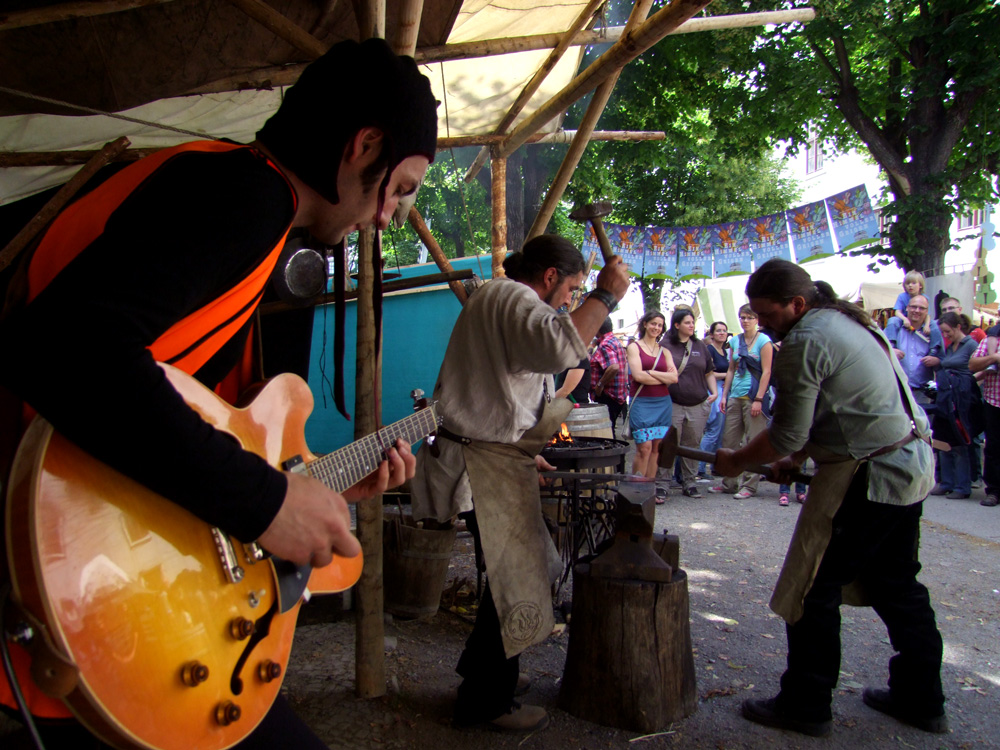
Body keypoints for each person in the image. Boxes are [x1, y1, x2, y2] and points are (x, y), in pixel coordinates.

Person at [0, 38, 432, 749]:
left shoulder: (246, 211)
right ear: (364, 147)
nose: (391, 216)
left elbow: (179, 420)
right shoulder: (244, 195)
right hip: (53, 578)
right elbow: (62, 348)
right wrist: (264, 502)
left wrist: (309, 485)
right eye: (404, 187)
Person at [715, 258, 945, 739]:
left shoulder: (806, 339)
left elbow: (787, 432)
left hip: (871, 475)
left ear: (796, 304)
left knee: (813, 589)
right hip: (904, 463)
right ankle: (920, 697)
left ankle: (805, 703)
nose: (768, 327)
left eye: (770, 315)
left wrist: (737, 460)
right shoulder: (845, 321)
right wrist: (795, 460)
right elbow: (835, 412)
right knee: (898, 584)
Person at [410, 235, 630, 732]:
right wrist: (607, 296)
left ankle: (483, 675)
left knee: (517, 573)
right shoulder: (512, 297)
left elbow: (502, 391)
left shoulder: (503, 300)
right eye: (572, 288)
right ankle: (484, 700)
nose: (572, 299)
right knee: (517, 576)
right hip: (477, 463)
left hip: (488, 457)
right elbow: (557, 349)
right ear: (550, 276)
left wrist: (520, 453)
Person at [710, 305, 773, 499]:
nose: (745, 321)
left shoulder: (764, 341)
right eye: (742, 317)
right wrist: (724, 395)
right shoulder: (735, 341)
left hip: (753, 395)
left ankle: (749, 484)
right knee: (729, 439)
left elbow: (767, 371)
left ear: (757, 320)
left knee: (752, 441)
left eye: (749, 317)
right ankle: (729, 481)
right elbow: (731, 369)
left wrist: (759, 399)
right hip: (735, 395)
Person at [662, 309, 717, 498]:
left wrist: (715, 392)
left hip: (697, 403)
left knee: (692, 445)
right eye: (687, 322)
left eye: (692, 322)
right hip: (673, 403)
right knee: (668, 444)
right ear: (677, 325)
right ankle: (662, 483)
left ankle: (689, 482)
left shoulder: (700, 346)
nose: (691, 325)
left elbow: (708, 372)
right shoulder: (665, 345)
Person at [625, 310, 678, 495]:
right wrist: (662, 377)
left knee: (656, 448)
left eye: (660, 325)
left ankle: (649, 489)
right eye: (653, 323)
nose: (656, 327)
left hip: (662, 402)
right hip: (641, 402)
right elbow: (638, 376)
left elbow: (674, 378)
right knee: (644, 447)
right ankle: (636, 489)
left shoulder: (665, 351)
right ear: (645, 324)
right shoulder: (634, 347)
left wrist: (651, 373)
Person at [928, 311, 979, 500]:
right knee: (943, 441)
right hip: (945, 398)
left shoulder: (971, 345)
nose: (945, 335)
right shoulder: (950, 347)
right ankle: (946, 482)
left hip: (961, 400)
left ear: (958, 327)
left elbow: (976, 370)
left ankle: (962, 485)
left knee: (959, 442)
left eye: (948, 331)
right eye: (943, 332)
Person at [883, 293, 943, 407]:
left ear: (927, 311)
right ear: (907, 308)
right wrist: (890, 351)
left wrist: (936, 360)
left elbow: (943, 359)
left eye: (921, 308)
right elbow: (877, 351)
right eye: (913, 307)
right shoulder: (895, 328)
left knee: (921, 423)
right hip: (896, 390)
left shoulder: (933, 331)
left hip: (921, 392)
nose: (917, 310)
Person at [969, 324, 1000, 507]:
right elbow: (973, 365)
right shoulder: (992, 338)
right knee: (994, 448)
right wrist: (994, 357)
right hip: (994, 401)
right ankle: (994, 491)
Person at [698, 321, 730, 478]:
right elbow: (707, 372)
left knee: (720, 431)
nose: (722, 333)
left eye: (724, 331)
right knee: (713, 430)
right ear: (712, 334)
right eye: (718, 331)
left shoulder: (724, 351)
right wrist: (729, 375)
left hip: (723, 391)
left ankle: (715, 466)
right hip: (713, 391)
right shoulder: (709, 350)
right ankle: (700, 466)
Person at [589, 316, 629, 437]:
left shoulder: (605, 345)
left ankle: (616, 456)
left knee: (606, 433)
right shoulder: (614, 341)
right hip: (617, 395)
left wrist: (600, 385)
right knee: (609, 432)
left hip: (608, 396)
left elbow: (614, 367)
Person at [892, 269, 930, 335]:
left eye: (913, 283)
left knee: (934, 325)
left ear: (920, 285)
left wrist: (927, 325)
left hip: (919, 321)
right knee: (893, 321)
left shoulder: (924, 298)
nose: (910, 285)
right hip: (904, 320)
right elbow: (897, 312)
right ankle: (891, 341)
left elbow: (927, 315)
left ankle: (935, 345)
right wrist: (904, 319)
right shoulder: (902, 296)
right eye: (908, 283)